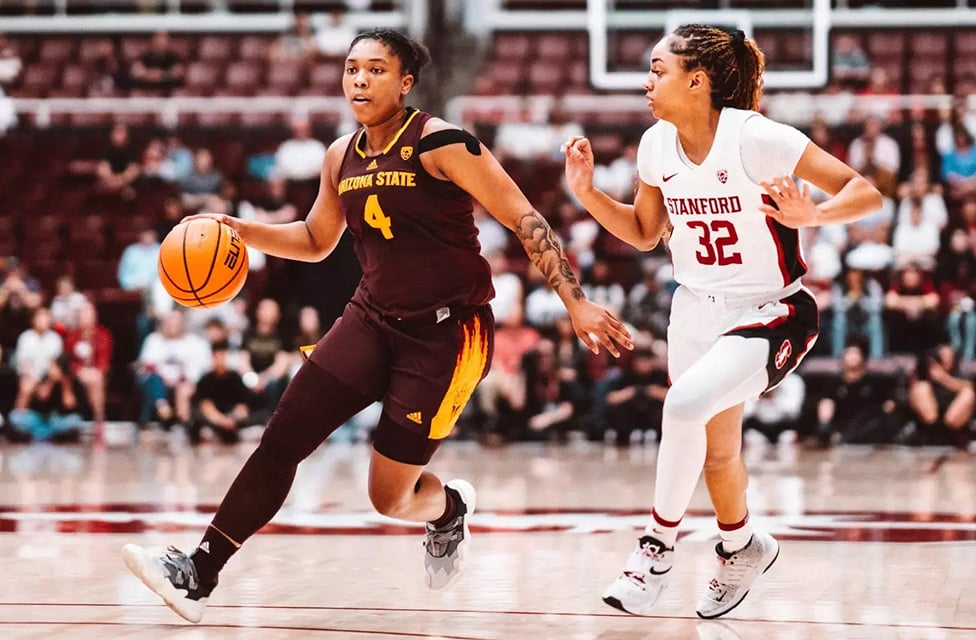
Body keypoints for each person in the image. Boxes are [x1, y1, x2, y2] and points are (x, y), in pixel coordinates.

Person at [122, 29, 631, 624]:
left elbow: (527, 221)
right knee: (281, 440)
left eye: (375, 70)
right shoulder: (341, 155)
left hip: (448, 335)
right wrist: (238, 227)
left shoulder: (444, 143)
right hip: (370, 319)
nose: (359, 81)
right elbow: (316, 241)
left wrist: (575, 302)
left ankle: (447, 508)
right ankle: (197, 572)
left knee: (388, 498)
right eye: (351, 69)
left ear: (405, 82)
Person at [562, 24, 882, 619]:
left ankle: (655, 549)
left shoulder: (756, 138)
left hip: (772, 308)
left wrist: (816, 212)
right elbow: (642, 231)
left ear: (697, 80)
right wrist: (585, 193)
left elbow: (866, 193)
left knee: (681, 405)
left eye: (658, 70)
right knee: (716, 455)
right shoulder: (656, 144)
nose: (647, 81)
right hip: (695, 309)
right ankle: (741, 546)